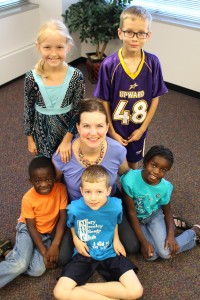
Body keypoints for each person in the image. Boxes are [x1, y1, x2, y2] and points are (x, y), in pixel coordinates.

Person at [53, 98, 139, 254]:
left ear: (107, 127)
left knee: (132, 247)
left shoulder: (117, 150)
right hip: (77, 208)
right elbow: (56, 185)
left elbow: (126, 175)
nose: (93, 133)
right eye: (86, 126)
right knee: (63, 258)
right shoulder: (63, 156)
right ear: (77, 127)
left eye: (99, 126)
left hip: (108, 204)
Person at [94, 6, 168, 169]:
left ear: (148, 35)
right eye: (129, 32)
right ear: (120, 33)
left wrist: (142, 129)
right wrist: (111, 131)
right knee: (113, 166)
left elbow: (155, 99)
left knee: (134, 168)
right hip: (114, 129)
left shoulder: (153, 63)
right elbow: (103, 101)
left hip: (138, 129)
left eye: (141, 33)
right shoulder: (109, 64)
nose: (135, 38)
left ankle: (130, 194)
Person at [53, 165, 143, 300]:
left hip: (109, 252)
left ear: (108, 191)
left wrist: (116, 239)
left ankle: (81, 288)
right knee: (59, 292)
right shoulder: (74, 208)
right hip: (85, 254)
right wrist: (75, 239)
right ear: (81, 191)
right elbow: (71, 224)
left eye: (99, 192)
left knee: (136, 291)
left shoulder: (116, 205)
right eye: (88, 192)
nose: (93, 198)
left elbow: (115, 222)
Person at [120, 145, 200, 260]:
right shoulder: (129, 180)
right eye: (153, 165)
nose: (157, 171)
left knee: (165, 253)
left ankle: (194, 232)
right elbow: (131, 213)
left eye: (163, 169)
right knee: (151, 256)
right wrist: (143, 241)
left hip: (154, 215)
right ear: (146, 161)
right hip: (137, 219)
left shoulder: (165, 187)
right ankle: (171, 226)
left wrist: (171, 235)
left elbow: (167, 210)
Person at [0, 157, 68, 288]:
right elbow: (30, 226)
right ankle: (18, 258)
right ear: (31, 181)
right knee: (20, 264)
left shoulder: (61, 190)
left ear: (54, 177)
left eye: (48, 179)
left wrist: (55, 245)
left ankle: (9, 253)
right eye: (38, 181)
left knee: (37, 270)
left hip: (47, 233)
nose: (43, 184)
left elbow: (62, 218)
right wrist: (44, 251)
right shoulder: (28, 198)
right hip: (28, 230)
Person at [24, 19, 85, 161]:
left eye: (59, 47)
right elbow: (28, 110)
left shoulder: (76, 76)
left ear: (68, 47)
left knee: (66, 167)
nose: (53, 53)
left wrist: (66, 141)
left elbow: (78, 111)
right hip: (41, 135)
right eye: (47, 47)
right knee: (46, 172)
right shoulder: (32, 77)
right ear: (38, 47)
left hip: (67, 134)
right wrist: (30, 139)